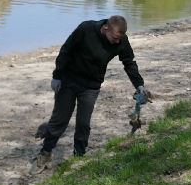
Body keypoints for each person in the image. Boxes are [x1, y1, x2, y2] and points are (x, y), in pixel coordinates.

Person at [35, 14, 151, 164]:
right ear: (105, 28)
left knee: (83, 123)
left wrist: (139, 85)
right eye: (114, 38)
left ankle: (79, 156)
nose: (117, 42)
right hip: (68, 80)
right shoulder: (86, 29)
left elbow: (129, 63)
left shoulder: (121, 40)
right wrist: (56, 76)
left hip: (91, 86)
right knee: (60, 120)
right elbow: (66, 50)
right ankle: (46, 152)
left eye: (119, 39)